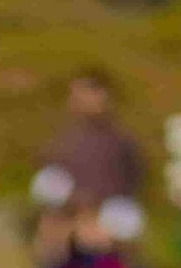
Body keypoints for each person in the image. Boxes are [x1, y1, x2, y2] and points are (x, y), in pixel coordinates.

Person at [42, 70, 146, 215]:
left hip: (107, 215)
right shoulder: (62, 142)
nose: (78, 99)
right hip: (68, 215)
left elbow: (132, 183)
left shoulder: (121, 141)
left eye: (85, 93)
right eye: (75, 95)